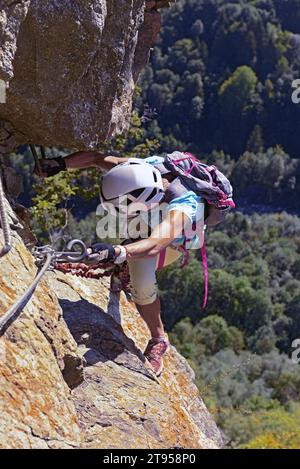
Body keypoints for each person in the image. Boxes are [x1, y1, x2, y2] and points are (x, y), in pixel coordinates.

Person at [38, 151, 206, 376]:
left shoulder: (184, 205)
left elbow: (156, 244)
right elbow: (96, 159)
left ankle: (158, 340)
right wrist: (59, 164)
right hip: (145, 222)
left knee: (143, 284)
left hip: (171, 243)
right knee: (133, 246)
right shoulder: (137, 170)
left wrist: (118, 252)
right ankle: (124, 264)